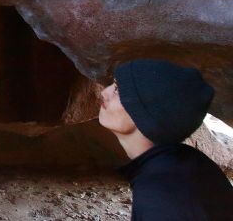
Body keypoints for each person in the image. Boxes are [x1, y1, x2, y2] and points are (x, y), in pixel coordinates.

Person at [98, 58, 233, 220]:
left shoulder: (161, 195)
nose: (104, 92)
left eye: (118, 90)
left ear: (146, 114)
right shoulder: (188, 163)